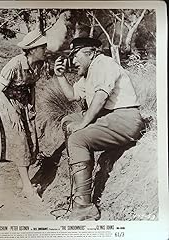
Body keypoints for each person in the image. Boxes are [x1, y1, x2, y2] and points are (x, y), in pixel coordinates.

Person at [54, 37, 144, 220]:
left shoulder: (104, 63)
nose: (73, 61)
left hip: (124, 118)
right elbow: (72, 96)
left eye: (76, 56)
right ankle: (81, 181)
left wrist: (83, 124)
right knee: (67, 120)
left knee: (77, 138)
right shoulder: (89, 72)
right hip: (108, 117)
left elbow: (101, 97)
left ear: (90, 52)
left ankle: (84, 206)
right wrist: (60, 76)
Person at [0, 29, 48, 200]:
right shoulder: (15, 64)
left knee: (31, 138)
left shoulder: (40, 65)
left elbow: (31, 86)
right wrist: (13, 112)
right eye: (42, 48)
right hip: (7, 103)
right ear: (32, 50)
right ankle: (26, 187)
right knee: (20, 140)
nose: (45, 50)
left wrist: (32, 106)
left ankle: (22, 180)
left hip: (24, 103)